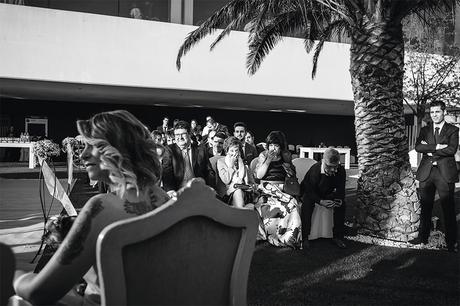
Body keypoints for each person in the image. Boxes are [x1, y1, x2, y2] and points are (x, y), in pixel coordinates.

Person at [13, 110, 169, 305]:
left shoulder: (102, 208)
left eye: (91, 146)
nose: (83, 154)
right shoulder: (170, 203)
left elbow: (40, 291)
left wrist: (14, 275)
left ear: (116, 149)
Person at [415, 100, 458, 252]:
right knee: (425, 208)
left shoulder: (452, 130)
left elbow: (451, 150)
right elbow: (418, 146)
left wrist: (429, 150)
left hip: (444, 173)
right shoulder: (425, 130)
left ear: (444, 112)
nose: (434, 115)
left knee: (448, 209)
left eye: (437, 112)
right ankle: (422, 239)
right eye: (432, 112)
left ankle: (451, 242)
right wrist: (437, 147)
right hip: (427, 172)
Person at [253, 131, 301, 248]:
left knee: (293, 205)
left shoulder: (286, 156)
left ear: (281, 146)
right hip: (267, 188)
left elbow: (293, 175)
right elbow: (259, 176)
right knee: (267, 206)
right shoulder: (263, 155)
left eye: (276, 145)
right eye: (271, 145)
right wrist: (268, 160)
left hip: (282, 189)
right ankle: (271, 235)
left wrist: (289, 170)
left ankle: (289, 237)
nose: (273, 148)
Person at [300, 147, 347, 249]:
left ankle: (338, 236)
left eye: (336, 166)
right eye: (331, 167)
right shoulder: (315, 170)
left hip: (327, 193)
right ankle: (305, 237)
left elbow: (341, 188)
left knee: (342, 205)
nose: (334, 170)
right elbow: (309, 190)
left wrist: (339, 199)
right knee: (307, 203)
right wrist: (321, 202)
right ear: (324, 162)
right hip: (311, 193)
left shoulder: (340, 170)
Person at [162, 120, 215, 197]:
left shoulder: (200, 150)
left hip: (198, 190)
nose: (179, 137)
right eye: (177, 135)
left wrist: (210, 187)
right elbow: (166, 172)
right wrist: (170, 190)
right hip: (177, 192)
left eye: (183, 134)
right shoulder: (169, 150)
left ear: (189, 134)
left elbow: (209, 171)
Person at [217, 137, 252, 208]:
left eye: (236, 151)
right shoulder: (221, 162)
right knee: (238, 191)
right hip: (229, 192)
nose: (234, 153)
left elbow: (251, 181)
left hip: (245, 190)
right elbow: (226, 180)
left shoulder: (243, 162)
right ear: (227, 151)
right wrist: (231, 166)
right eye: (231, 151)